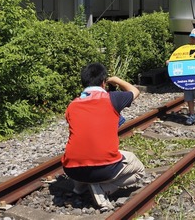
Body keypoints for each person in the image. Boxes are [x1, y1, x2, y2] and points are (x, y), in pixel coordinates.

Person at [62, 62, 145, 211]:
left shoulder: (72, 105)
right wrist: (117, 80)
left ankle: (80, 188)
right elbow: (135, 91)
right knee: (139, 170)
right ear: (103, 82)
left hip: (71, 169)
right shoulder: (113, 98)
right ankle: (103, 188)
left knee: (83, 152)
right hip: (105, 168)